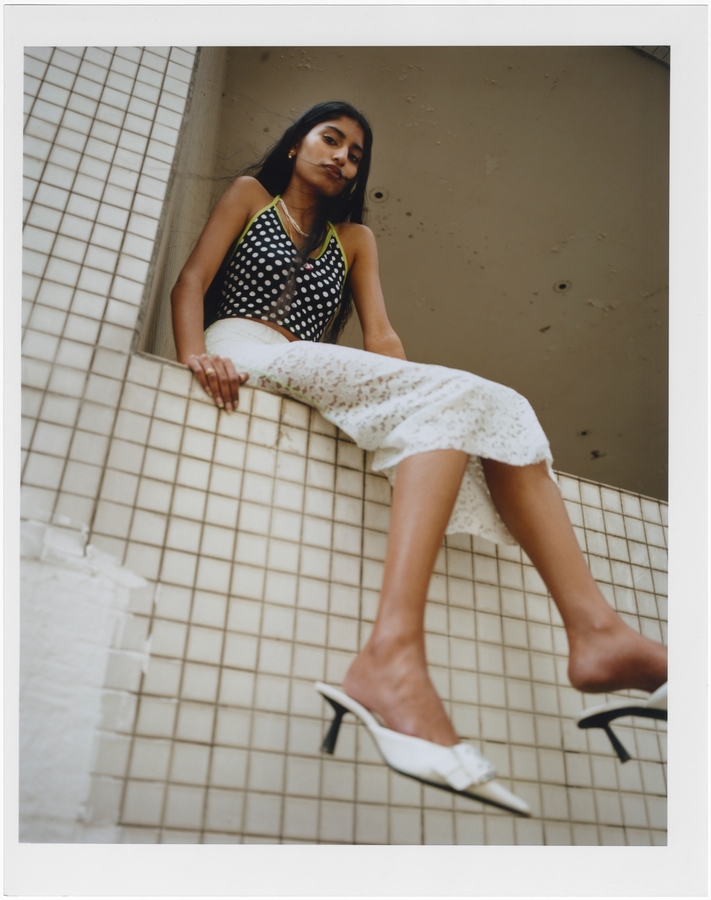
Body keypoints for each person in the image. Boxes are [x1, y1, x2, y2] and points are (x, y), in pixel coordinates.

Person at [172, 101, 667, 815]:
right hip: (238, 344)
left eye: (355, 154)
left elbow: (381, 337)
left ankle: (599, 635)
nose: (342, 158)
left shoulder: (354, 239)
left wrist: (415, 391)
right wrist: (193, 354)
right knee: (456, 396)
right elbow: (192, 280)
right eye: (330, 139)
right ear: (295, 144)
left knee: (498, 404)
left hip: (299, 360)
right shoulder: (250, 197)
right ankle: (391, 655)